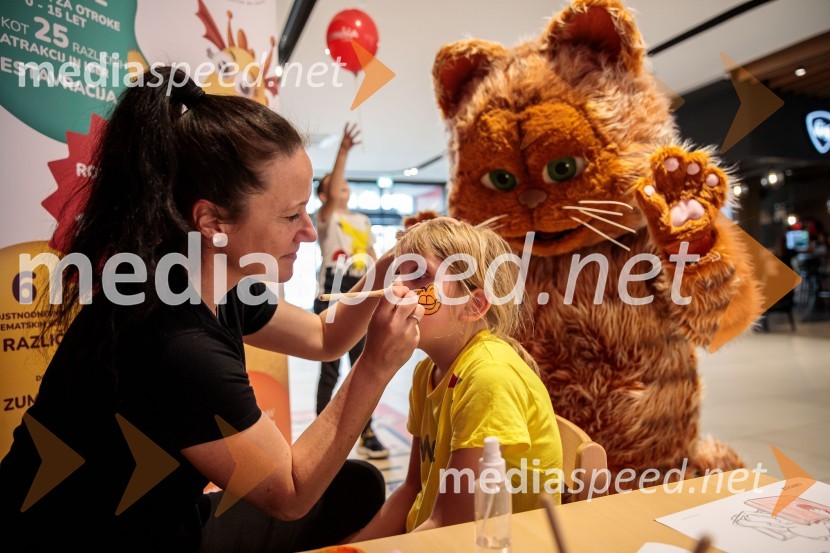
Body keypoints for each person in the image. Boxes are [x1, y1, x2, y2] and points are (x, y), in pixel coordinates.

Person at [0, 67, 424, 552]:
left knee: (357, 486)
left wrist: (385, 270)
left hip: (164, 516)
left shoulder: (205, 279)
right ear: (212, 221)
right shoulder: (174, 342)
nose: (308, 232)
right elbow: (290, 494)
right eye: (291, 215)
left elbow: (324, 337)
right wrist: (375, 367)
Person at [350, 218, 563, 540]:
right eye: (398, 274)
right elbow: (411, 489)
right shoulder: (427, 372)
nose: (396, 289)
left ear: (473, 305)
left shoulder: (488, 377)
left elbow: (451, 526)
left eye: (420, 274)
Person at [313, 123, 388, 459]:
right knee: (330, 368)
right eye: (336, 184)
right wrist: (343, 151)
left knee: (362, 366)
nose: (343, 186)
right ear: (324, 194)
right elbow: (332, 192)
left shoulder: (362, 220)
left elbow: (372, 257)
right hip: (332, 289)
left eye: (345, 183)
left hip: (360, 289)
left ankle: (366, 431)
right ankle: (319, 433)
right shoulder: (325, 217)